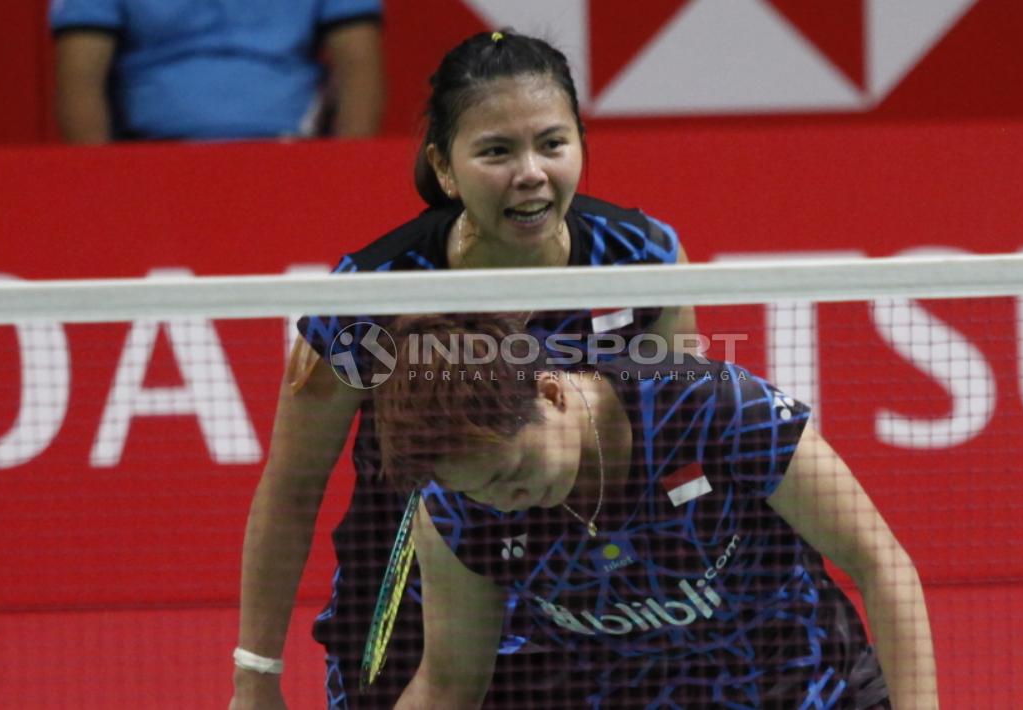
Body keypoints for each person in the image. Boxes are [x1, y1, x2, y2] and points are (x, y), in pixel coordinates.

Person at [231, 30, 698, 710]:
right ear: (444, 170)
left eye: (552, 143)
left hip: (590, 612)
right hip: (409, 606)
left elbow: (681, 437)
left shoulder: (640, 256)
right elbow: (293, 487)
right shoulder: (372, 293)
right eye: (496, 152)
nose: (531, 172)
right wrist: (256, 675)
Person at [374, 313, 940, 709]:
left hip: (814, 691)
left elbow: (879, 562)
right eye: (477, 492)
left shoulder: (714, 410)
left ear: (551, 395)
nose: (500, 502)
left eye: (511, 474)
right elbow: (449, 684)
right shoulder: (455, 513)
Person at [50, 0, 384, 143]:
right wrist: (103, 184)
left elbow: (359, 66)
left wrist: (344, 173)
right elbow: (80, 77)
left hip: (292, 153)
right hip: (151, 156)